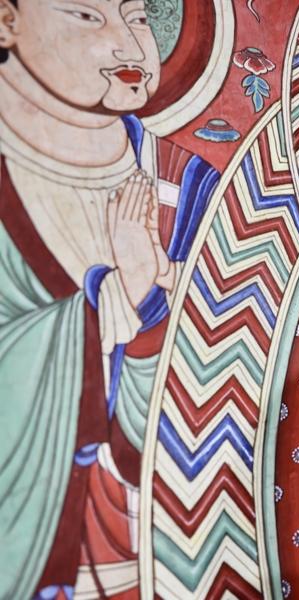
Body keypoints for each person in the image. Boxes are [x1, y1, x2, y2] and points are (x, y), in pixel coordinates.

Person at [0, 1, 217, 597]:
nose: (128, 45)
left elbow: (216, 407)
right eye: (87, 17)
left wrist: (150, 307)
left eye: (138, 17)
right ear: (7, 21)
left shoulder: (183, 185)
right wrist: (120, 295)